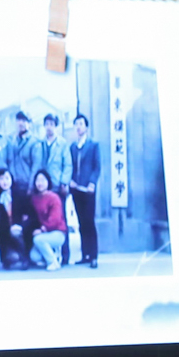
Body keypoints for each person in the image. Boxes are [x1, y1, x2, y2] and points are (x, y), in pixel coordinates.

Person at [68, 113, 102, 268]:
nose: (78, 127)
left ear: (86, 127)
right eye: (76, 124)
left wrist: (92, 183)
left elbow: (97, 166)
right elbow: (70, 166)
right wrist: (71, 180)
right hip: (76, 189)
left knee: (89, 221)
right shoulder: (73, 147)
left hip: (88, 190)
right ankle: (85, 254)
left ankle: (93, 256)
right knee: (81, 222)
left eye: (81, 124)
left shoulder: (93, 145)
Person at [0, 166, 29, 269]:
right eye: (1, 179)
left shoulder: (20, 194)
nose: (5, 182)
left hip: (19, 231)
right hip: (5, 234)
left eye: (7, 178)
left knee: (16, 232)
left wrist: (21, 226)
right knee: (9, 259)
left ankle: (25, 257)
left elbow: (29, 215)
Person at [28, 170, 68, 270]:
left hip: (57, 232)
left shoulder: (54, 197)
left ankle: (53, 262)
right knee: (34, 256)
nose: (40, 183)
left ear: (48, 182)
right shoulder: (34, 198)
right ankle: (53, 253)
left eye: (43, 180)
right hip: (45, 234)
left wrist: (42, 230)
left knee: (38, 240)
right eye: (38, 180)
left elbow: (55, 219)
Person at [5, 110, 42, 193]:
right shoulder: (12, 141)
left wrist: (31, 186)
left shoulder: (35, 142)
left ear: (29, 124)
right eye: (18, 120)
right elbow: (10, 162)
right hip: (14, 185)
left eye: (24, 120)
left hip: (28, 186)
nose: (20, 123)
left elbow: (36, 166)